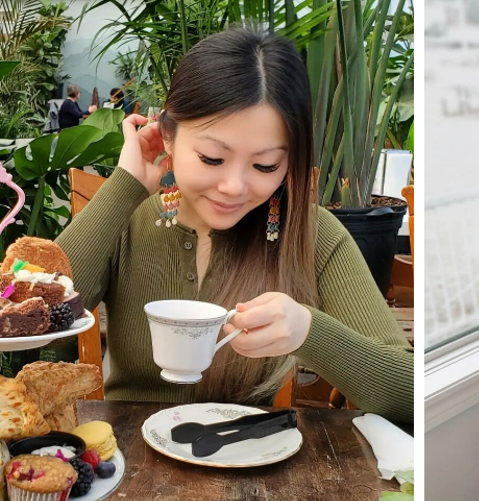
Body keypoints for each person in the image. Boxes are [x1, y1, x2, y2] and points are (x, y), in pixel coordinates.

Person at [56, 30, 413, 423]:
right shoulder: (129, 221)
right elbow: (30, 318)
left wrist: (309, 332)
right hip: (128, 463)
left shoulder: (312, 236)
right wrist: (125, 186)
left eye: (265, 166)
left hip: (250, 469)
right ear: (169, 137)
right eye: (211, 158)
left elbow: (410, 394)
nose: (234, 187)